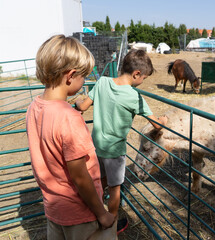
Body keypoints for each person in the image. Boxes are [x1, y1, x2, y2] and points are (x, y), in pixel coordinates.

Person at [26, 34, 116, 240]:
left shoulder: (34, 107)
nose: (84, 81)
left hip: (54, 208)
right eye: (83, 76)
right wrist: (102, 213)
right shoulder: (68, 117)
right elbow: (80, 176)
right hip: (80, 213)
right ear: (70, 75)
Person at [75, 49, 168, 235]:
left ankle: (96, 215)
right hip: (115, 151)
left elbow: (83, 106)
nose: (142, 82)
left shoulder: (102, 82)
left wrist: (77, 102)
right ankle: (112, 223)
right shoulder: (134, 97)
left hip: (96, 147)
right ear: (136, 74)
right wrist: (164, 120)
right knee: (115, 188)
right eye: (144, 79)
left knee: (99, 182)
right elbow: (156, 124)